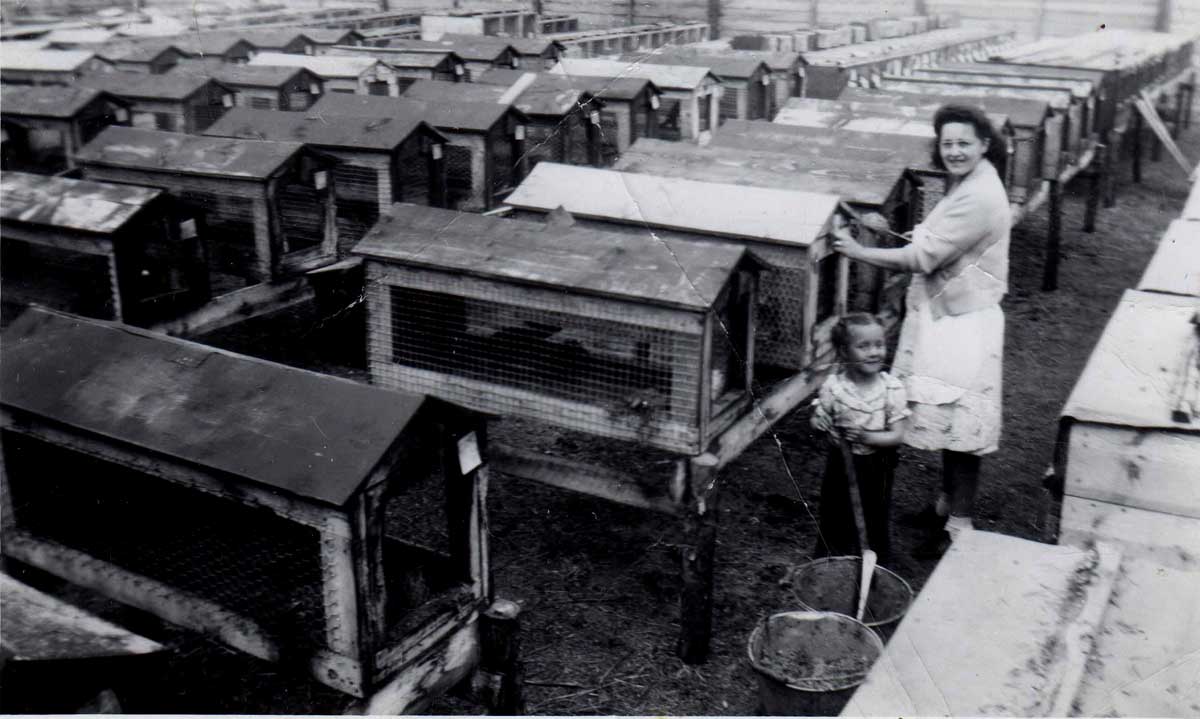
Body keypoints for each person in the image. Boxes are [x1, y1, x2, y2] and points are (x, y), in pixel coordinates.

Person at [830, 103, 1012, 554]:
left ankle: (959, 529)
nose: (954, 151)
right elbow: (937, 240)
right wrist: (888, 232)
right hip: (949, 316)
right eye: (947, 143)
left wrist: (857, 251)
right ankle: (945, 508)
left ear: (984, 144)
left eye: (963, 143)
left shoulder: (981, 194)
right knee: (952, 422)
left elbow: (924, 258)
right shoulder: (971, 181)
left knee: (964, 430)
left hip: (964, 324)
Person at [811, 313, 909, 564]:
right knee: (835, 512)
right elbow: (819, 418)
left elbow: (898, 435)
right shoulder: (835, 388)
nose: (874, 352)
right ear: (844, 352)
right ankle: (831, 564)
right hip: (840, 464)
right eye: (863, 346)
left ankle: (873, 566)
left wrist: (868, 437)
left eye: (879, 345)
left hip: (878, 466)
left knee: (874, 515)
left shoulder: (891, 389)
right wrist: (819, 423)